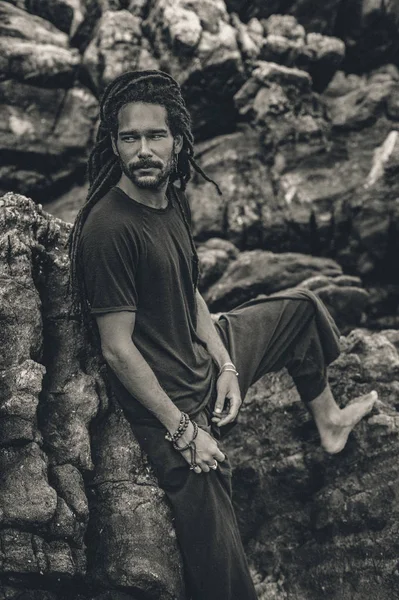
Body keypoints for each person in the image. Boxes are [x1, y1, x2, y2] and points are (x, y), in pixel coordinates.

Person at [68, 70, 377, 600]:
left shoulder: (168, 200)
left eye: (155, 135)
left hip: (204, 356)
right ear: (114, 145)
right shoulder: (108, 228)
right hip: (171, 403)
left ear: (179, 141)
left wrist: (228, 366)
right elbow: (117, 351)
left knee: (302, 307)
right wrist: (186, 433)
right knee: (226, 576)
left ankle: (329, 421)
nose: (143, 149)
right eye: (129, 137)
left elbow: (190, 293)